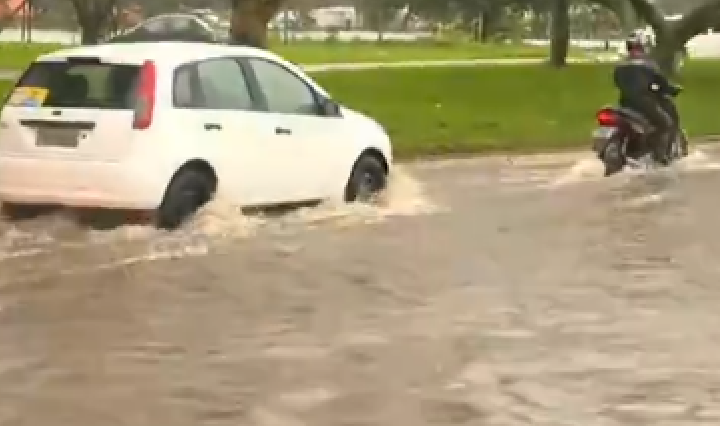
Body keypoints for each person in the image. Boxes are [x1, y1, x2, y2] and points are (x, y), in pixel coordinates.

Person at [612, 32, 681, 164]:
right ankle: (660, 156)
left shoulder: (620, 65)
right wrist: (672, 90)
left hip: (625, 104)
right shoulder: (648, 65)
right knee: (665, 124)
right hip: (644, 104)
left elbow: (617, 82)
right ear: (643, 46)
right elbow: (661, 82)